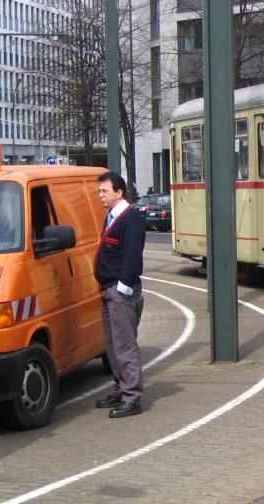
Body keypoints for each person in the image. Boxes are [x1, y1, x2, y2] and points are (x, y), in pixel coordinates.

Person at [94, 171, 147, 418]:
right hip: (109, 289)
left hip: (119, 292)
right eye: (99, 191)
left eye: (104, 191)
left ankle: (132, 397)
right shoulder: (111, 217)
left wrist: (123, 286)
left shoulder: (130, 218)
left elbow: (132, 254)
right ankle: (121, 388)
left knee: (124, 345)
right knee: (113, 345)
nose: (100, 195)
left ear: (119, 192)